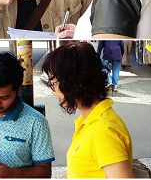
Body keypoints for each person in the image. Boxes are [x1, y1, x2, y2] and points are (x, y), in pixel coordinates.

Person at [42, 42, 133, 178]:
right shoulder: (90, 120)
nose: (52, 90)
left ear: (70, 82)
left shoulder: (103, 130)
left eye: (54, 83)